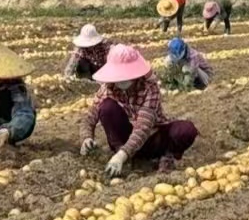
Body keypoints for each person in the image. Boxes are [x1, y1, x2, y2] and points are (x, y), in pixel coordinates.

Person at [79, 44, 198, 176]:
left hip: (152, 139)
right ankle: (122, 154)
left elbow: (143, 127)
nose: (121, 79)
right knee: (107, 106)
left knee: (186, 130)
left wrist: (122, 155)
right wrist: (86, 137)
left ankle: (167, 156)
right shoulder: (108, 87)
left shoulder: (149, 88)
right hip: (124, 139)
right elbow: (90, 116)